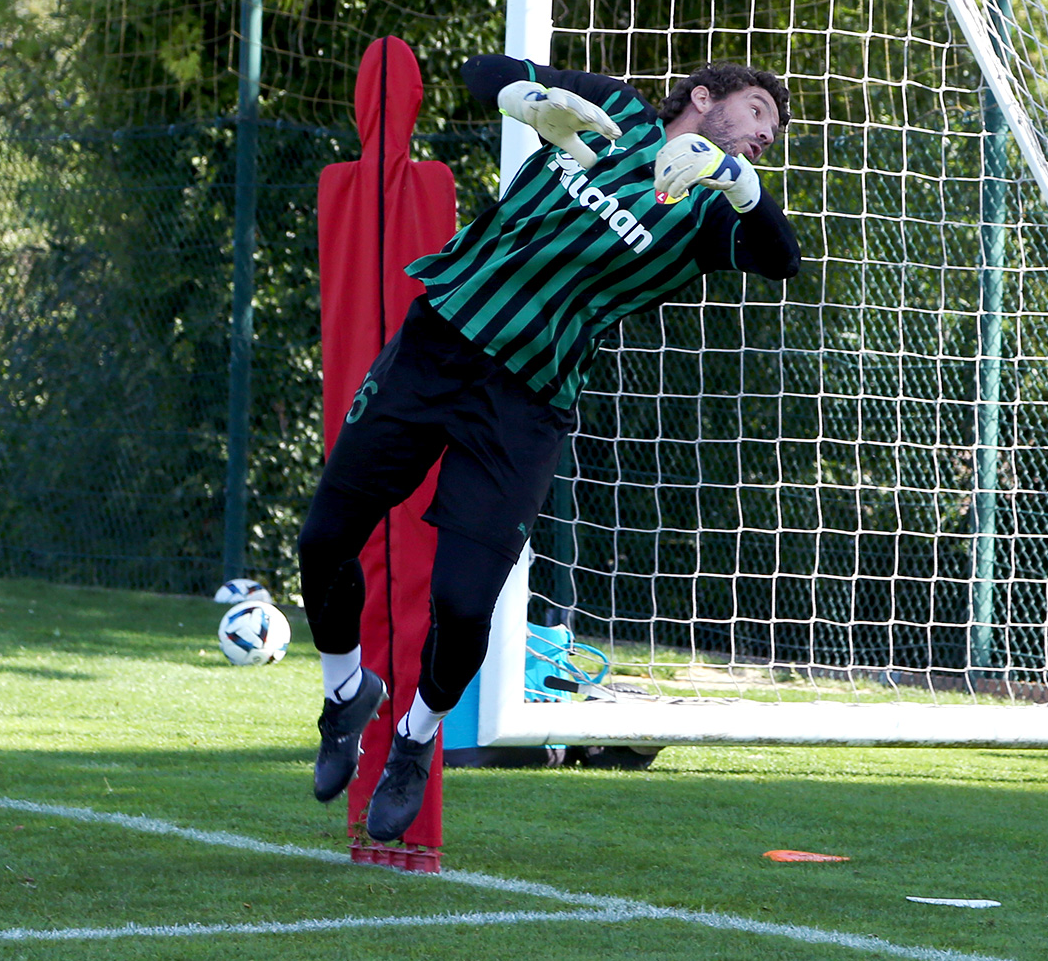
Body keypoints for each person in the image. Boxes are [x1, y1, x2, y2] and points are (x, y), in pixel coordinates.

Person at [299, 54, 799, 842]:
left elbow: (782, 258)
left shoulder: (708, 217)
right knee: (324, 541)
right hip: (440, 345)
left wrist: (740, 184)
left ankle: (416, 740)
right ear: (704, 97)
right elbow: (477, 69)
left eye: (774, 130)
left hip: (525, 404)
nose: (767, 133)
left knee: (464, 602)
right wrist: (529, 100)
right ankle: (344, 694)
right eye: (759, 112)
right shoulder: (621, 114)